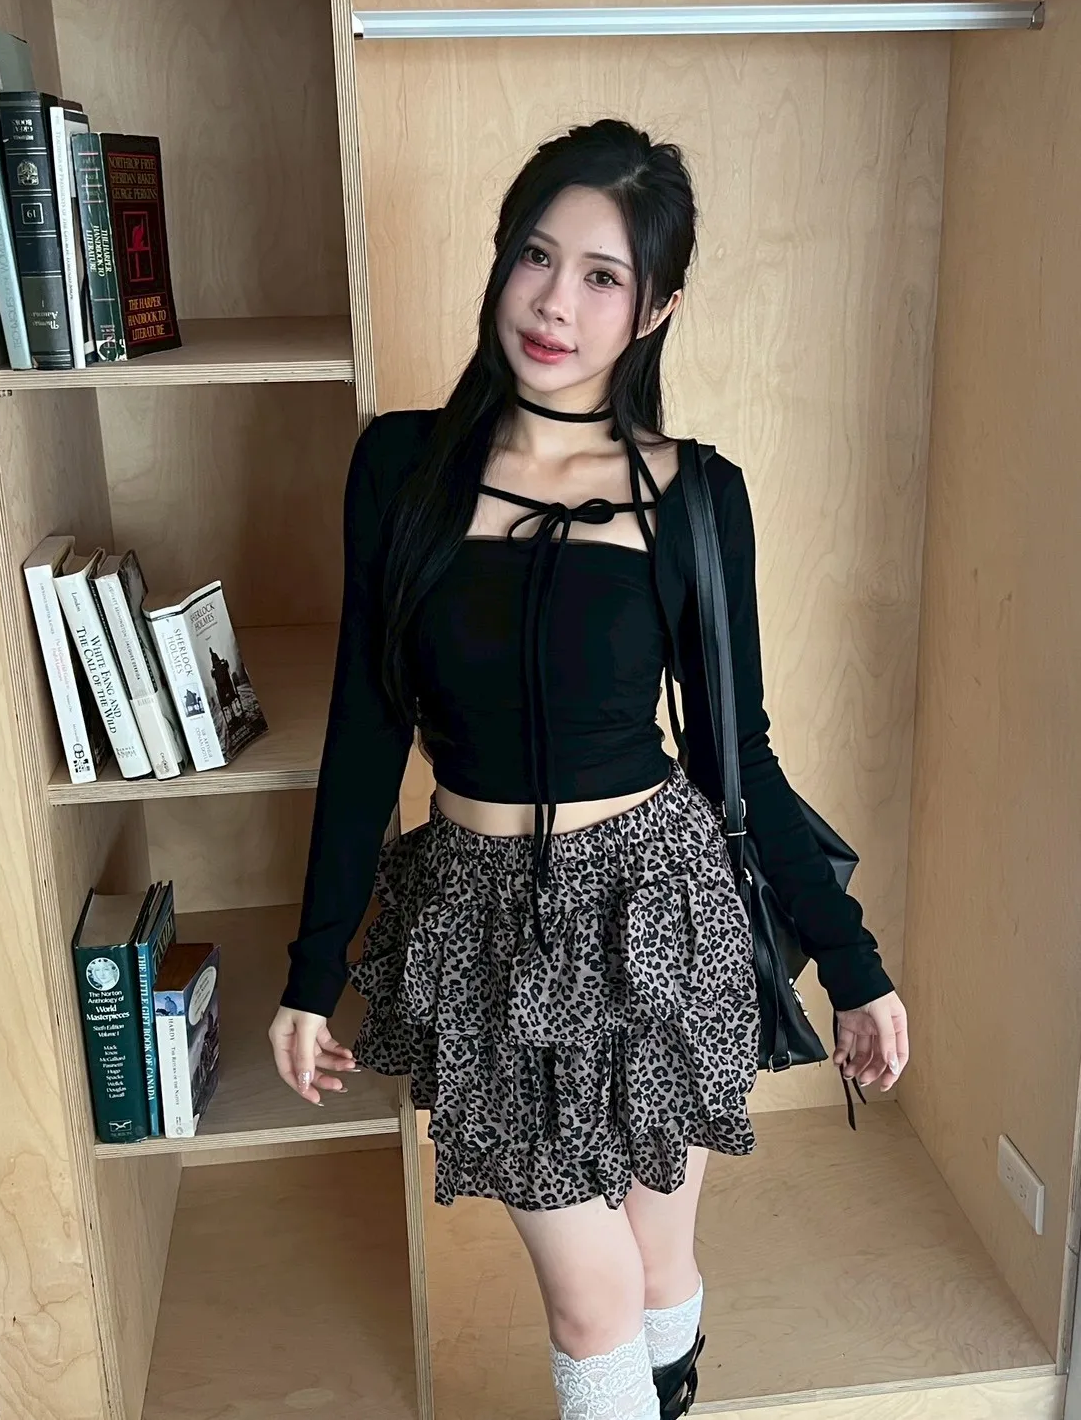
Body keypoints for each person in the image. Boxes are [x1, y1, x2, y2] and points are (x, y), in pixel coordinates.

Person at [269, 118, 909, 1420]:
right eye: (536, 256)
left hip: (659, 905)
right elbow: (365, 728)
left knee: (657, 1262)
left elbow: (740, 758)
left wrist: (856, 966)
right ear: (503, 260)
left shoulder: (694, 495)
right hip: (481, 919)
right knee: (592, 1297)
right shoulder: (400, 466)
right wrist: (311, 970)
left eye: (603, 276)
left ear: (654, 308)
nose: (555, 303)